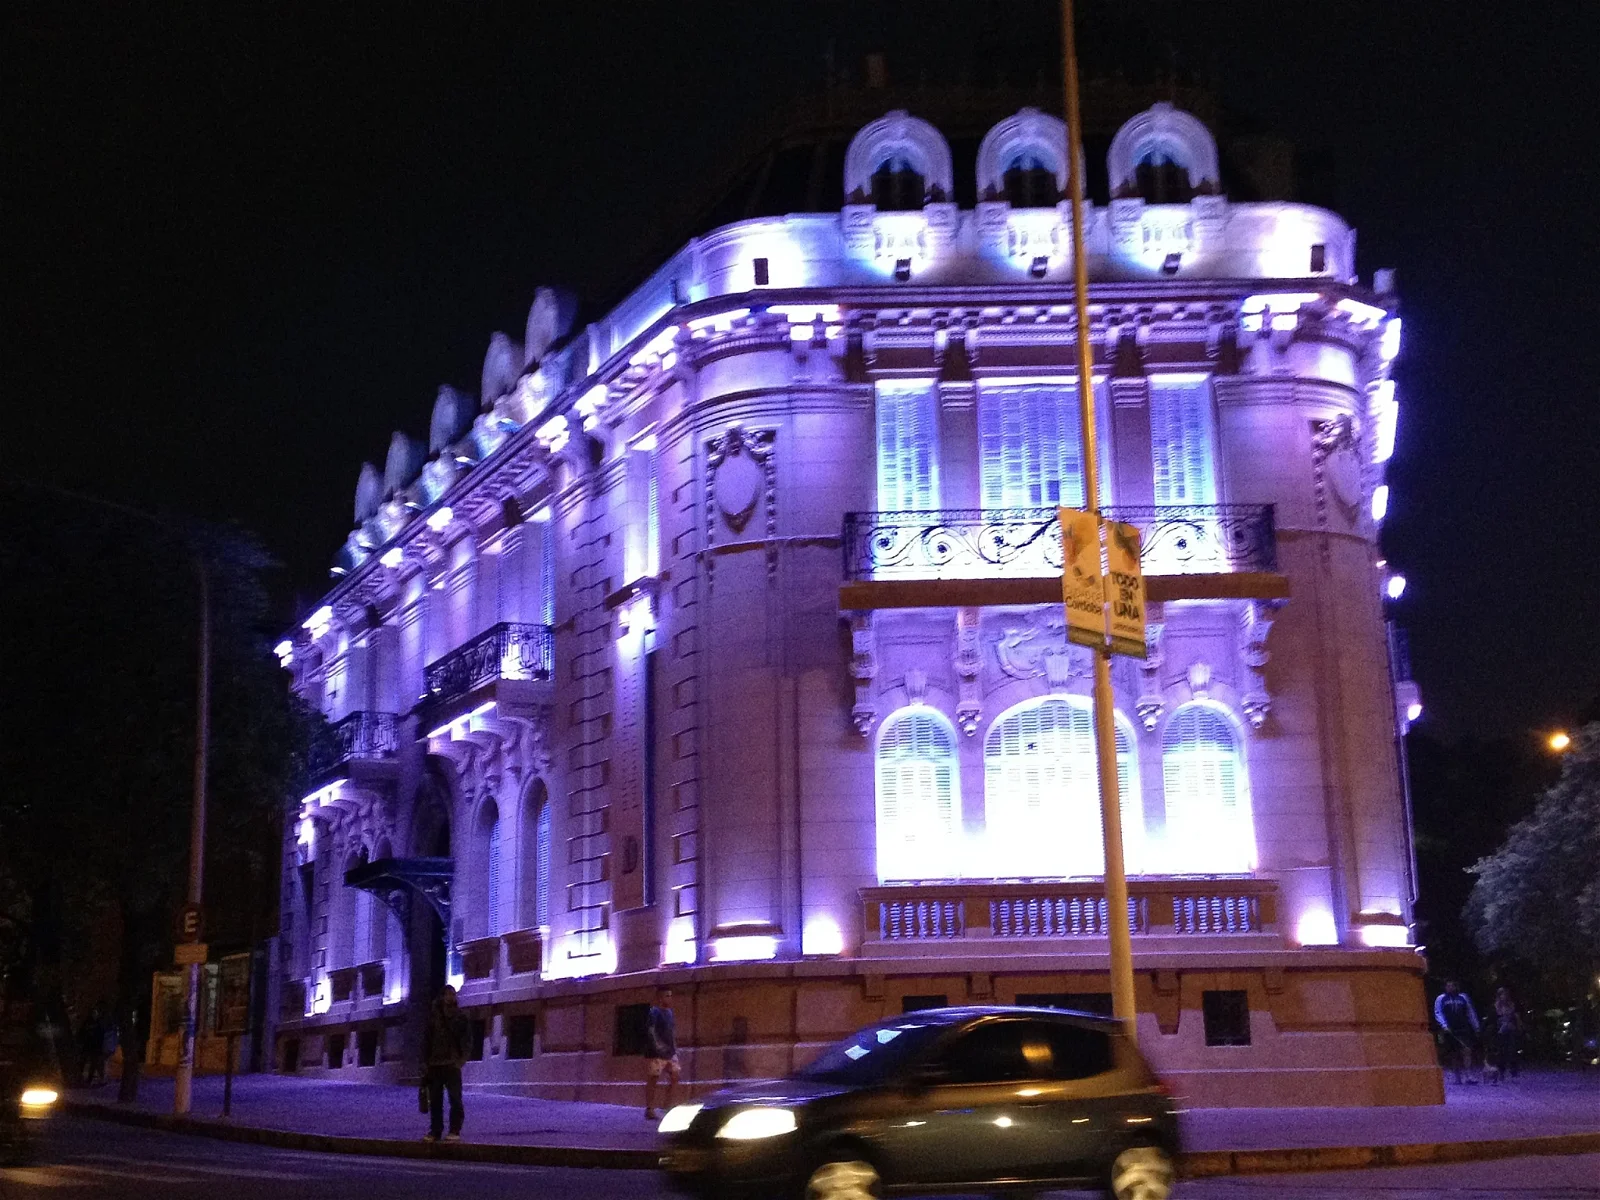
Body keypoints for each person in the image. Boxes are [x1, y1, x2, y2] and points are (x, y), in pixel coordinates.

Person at [420, 986, 469, 1142]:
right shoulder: (433, 1017)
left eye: (453, 994)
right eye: (448, 994)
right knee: (435, 1100)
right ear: (442, 996)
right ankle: (435, 1131)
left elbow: (467, 1040)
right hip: (435, 1065)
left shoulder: (460, 1016)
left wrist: (461, 1060)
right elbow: (426, 1041)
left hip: (452, 1064)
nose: (451, 997)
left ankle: (454, 1130)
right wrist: (424, 1061)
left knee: (455, 1098)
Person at [643, 986, 681, 1121]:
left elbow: (671, 1031)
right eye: (667, 996)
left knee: (675, 1076)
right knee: (653, 1079)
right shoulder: (654, 1012)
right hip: (657, 1053)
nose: (669, 998)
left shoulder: (670, 1013)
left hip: (670, 1052)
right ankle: (650, 1109)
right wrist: (657, 1044)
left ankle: (667, 1106)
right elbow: (651, 1030)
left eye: (670, 996)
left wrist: (674, 1048)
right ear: (660, 997)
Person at [1434, 980, 1481, 1085]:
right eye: (1448, 986)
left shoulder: (1463, 997)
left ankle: (1468, 1075)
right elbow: (1438, 1012)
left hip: (1463, 1028)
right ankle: (1457, 1076)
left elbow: (1470, 1012)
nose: (1450, 987)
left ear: (1456, 986)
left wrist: (1476, 1026)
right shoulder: (1441, 998)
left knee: (1466, 1050)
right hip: (1450, 1029)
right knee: (1454, 1053)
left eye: (1452, 985)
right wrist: (1444, 1025)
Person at [1488, 986, 1522, 1083]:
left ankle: (1513, 1071)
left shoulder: (1513, 1006)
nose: (1504, 996)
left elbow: (1517, 1018)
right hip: (1499, 1032)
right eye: (1502, 994)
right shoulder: (1495, 1006)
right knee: (1501, 1052)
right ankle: (1501, 1071)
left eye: (1505, 994)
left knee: (1512, 1051)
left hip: (1511, 1030)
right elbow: (1491, 1020)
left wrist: (1518, 1026)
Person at [78, 1008, 106, 1087]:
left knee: (93, 1064)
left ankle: (89, 1079)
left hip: (94, 1047)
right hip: (88, 1046)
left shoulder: (98, 1024)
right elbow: (81, 1034)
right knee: (84, 1062)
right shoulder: (88, 1023)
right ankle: (82, 1078)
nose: (94, 1015)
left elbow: (101, 1036)